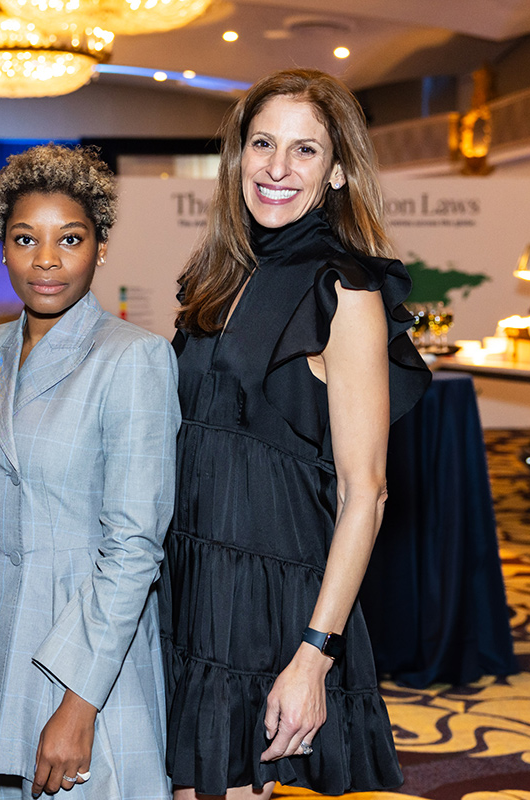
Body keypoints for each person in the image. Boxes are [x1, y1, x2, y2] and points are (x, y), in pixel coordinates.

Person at [160, 68, 432, 799]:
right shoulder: (219, 273)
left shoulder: (345, 290)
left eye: (304, 150)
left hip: (267, 604)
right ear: (238, 156)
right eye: (263, 144)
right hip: (188, 581)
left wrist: (314, 655)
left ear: (337, 170)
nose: (277, 167)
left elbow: (366, 494)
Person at [0, 144, 181, 799]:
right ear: (3, 248)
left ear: (100, 248)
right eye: (26, 238)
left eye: (70, 239)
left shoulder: (134, 358)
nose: (46, 259)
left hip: (84, 666)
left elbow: (134, 547)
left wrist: (79, 701)